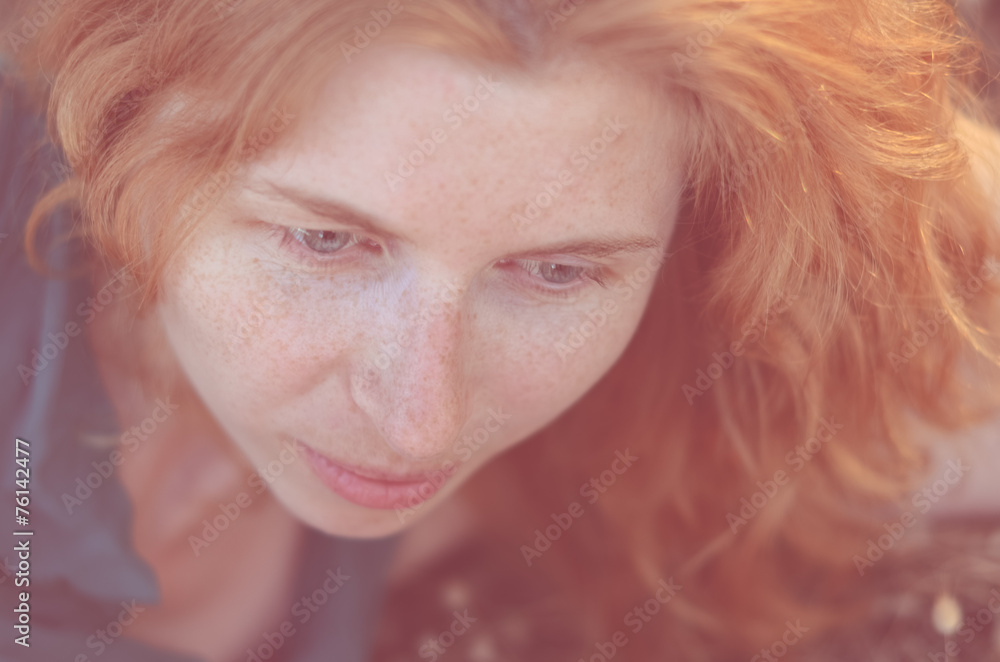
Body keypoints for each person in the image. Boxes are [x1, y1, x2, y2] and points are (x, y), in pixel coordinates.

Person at [1, 0, 999, 660]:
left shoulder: (679, 368)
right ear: (113, 128)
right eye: (324, 240)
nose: (418, 423)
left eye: (557, 271)